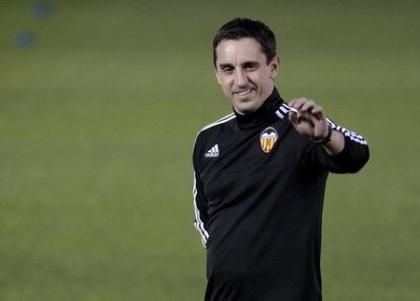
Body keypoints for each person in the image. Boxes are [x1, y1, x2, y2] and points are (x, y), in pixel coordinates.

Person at [192, 17, 369, 301]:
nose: (240, 80)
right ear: (217, 74)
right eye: (228, 69)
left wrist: (325, 136)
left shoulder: (300, 125)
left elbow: (358, 154)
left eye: (250, 66)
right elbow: (203, 214)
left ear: (273, 66)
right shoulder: (208, 140)